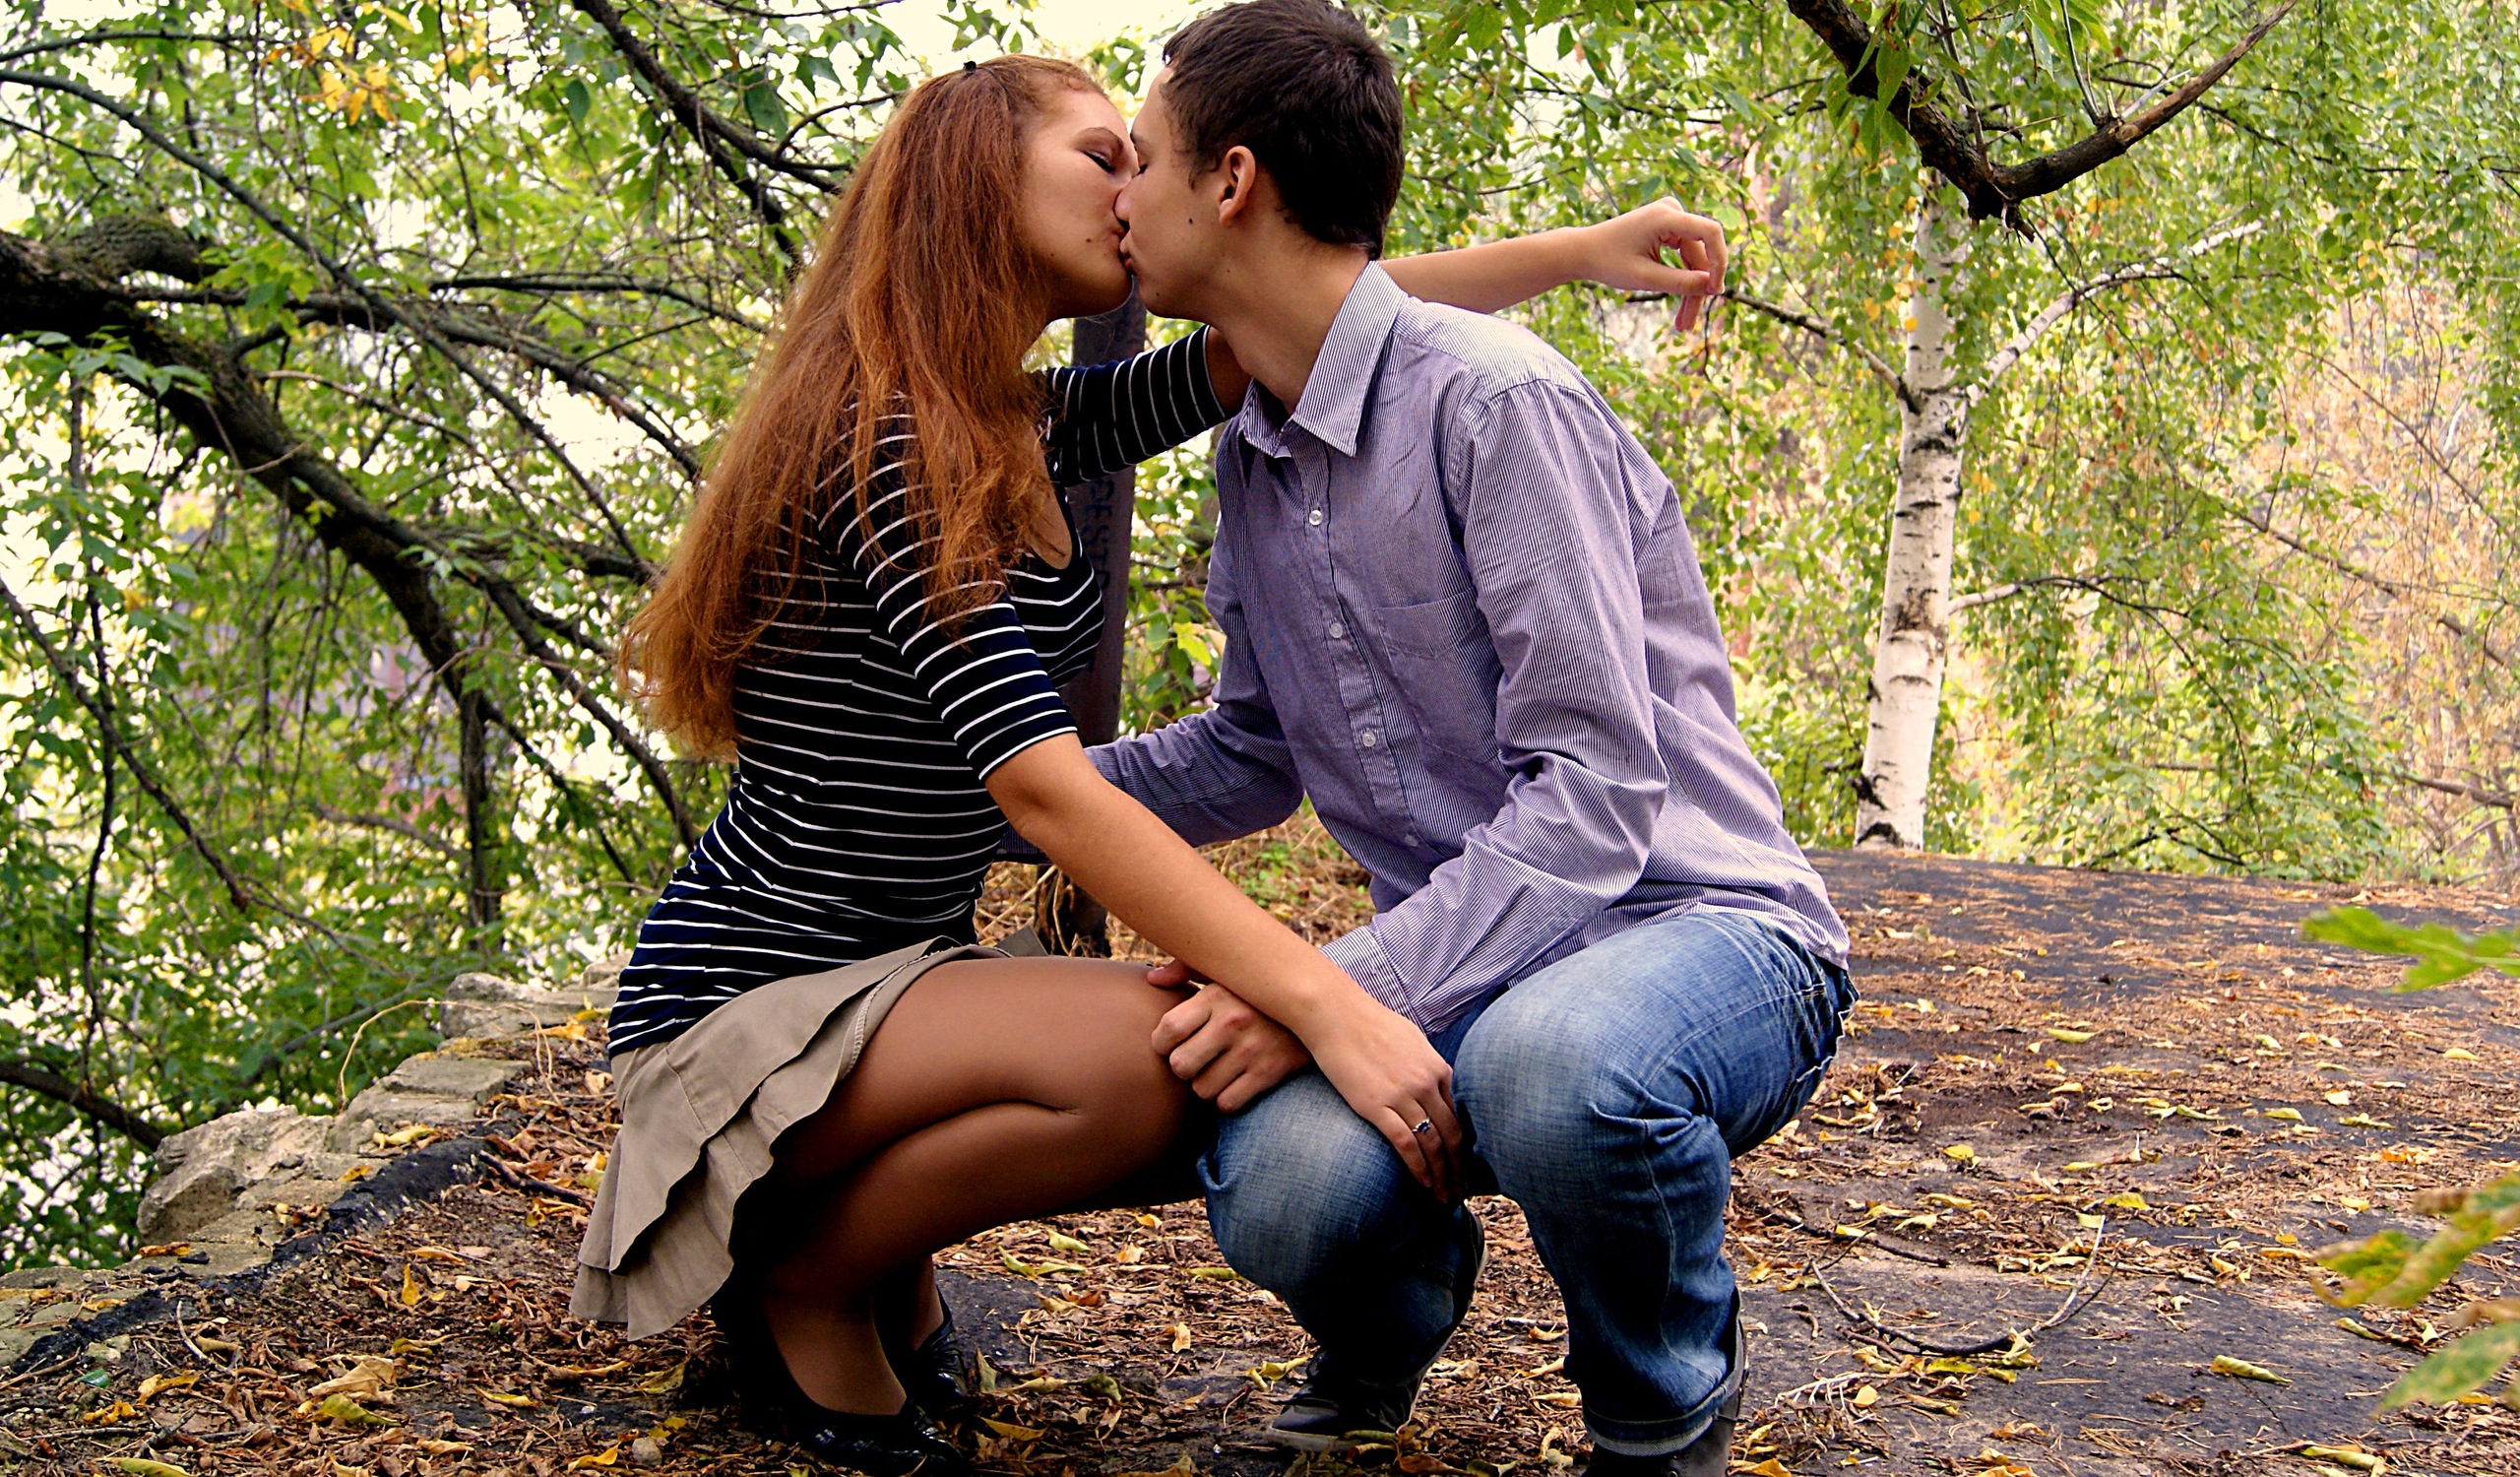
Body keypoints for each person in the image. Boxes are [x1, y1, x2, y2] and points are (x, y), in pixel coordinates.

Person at [570, 45, 1732, 1477]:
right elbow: (1041, 787)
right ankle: (805, 1279)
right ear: (975, 182)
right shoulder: (890, 439)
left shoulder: (1031, 422)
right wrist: (1332, 1002)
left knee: (1194, 1042)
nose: (1131, 188)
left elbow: (1316, 311)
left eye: (1143, 159)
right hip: (757, 1006)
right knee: (1176, 1055)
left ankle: (860, 1255)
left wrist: (1579, 252)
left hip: (898, 975)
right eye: (1098, 154)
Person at [1087, 4, 1858, 1474]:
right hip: (1472, 969)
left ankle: (1662, 1407)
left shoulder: (1494, 401)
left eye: (1141, 155)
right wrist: (1012, 791)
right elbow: (1251, 752)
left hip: (1702, 930)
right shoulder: (1253, 450)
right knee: (1284, 1187)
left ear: (1230, 181)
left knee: (1552, 1065)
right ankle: (1387, 1331)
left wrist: (1331, 991)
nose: (1118, 195)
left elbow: (1597, 793)